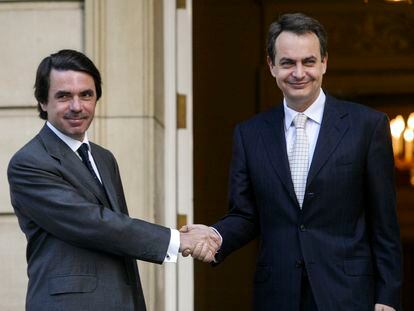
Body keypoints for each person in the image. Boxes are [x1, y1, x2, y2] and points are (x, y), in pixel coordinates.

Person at [184, 13, 402, 311]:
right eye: (288, 63)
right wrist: (215, 235)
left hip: (349, 295)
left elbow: (384, 223)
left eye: (308, 62)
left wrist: (387, 298)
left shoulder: (367, 126)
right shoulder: (250, 134)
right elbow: (246, 215)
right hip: (277, 295)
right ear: (272, 65)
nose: (299, 73)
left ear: (324, 62)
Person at [7, 49, 219, 311]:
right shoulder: (29, 162)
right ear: (42, 101)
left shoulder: (103, 158)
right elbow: (92, 223)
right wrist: (176, 240)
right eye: (63, 96)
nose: (77, 106)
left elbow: (120, 240)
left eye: (86, 95)